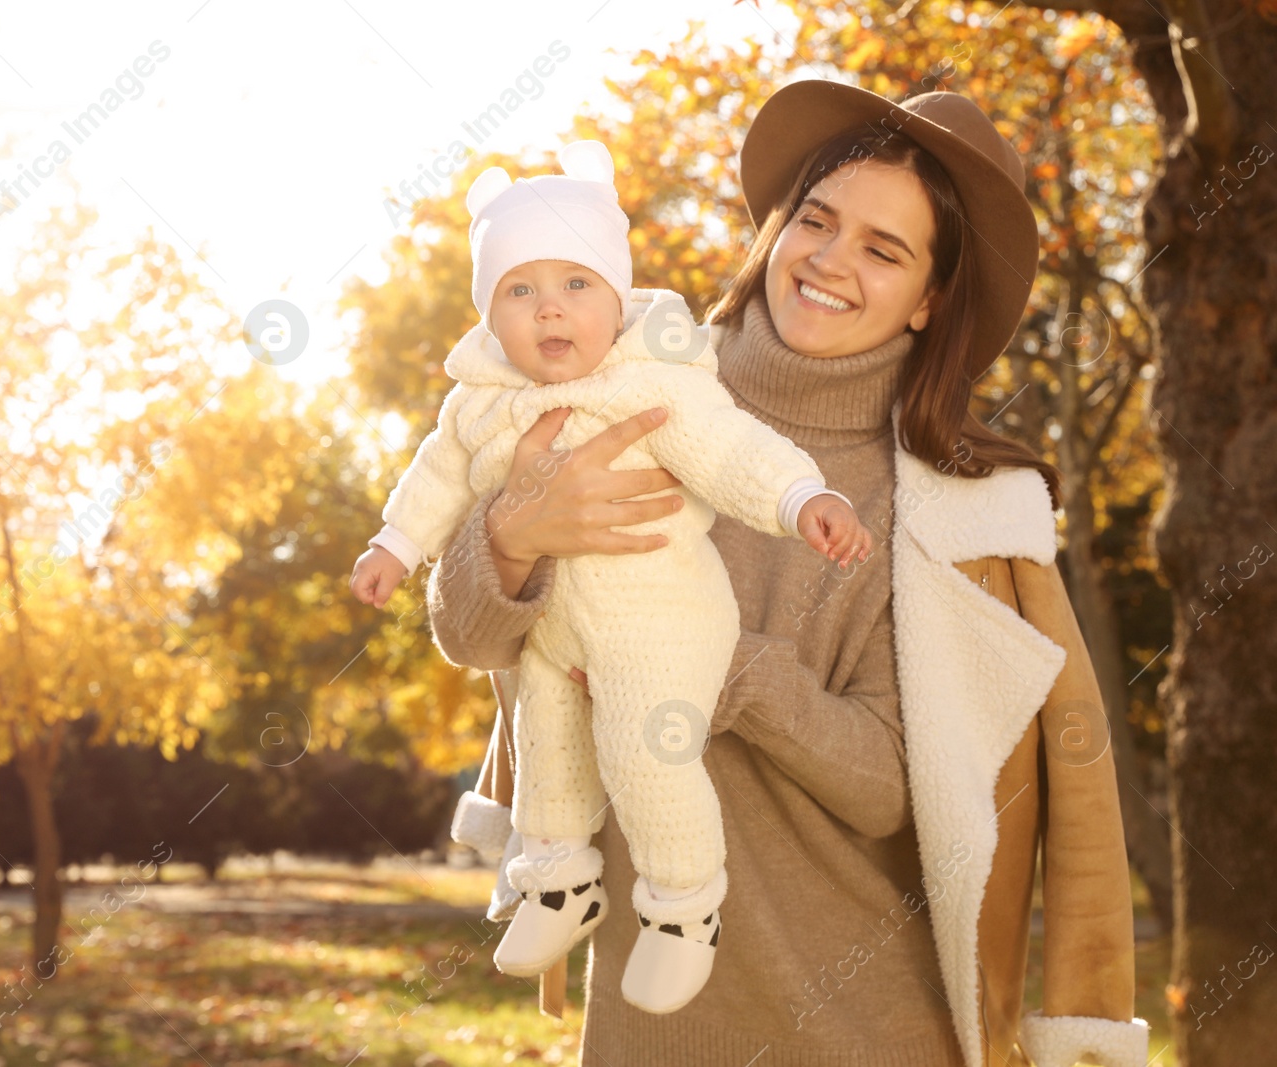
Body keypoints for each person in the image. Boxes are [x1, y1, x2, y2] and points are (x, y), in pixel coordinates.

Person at [437, 81, 1151, 1066]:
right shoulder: (620, 399)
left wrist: (712, 666)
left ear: (929, 299)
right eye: (815, 220)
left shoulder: (959, 516)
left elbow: (899, 787)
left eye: (882, 249)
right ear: (775, 229)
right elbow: (478, 638)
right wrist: (511, 537)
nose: (828, 259)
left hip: (870, 1028)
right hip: (651, 1023)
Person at [349, 138, 873, 1014]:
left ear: (618, 297)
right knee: (547, 748)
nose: (550, 310)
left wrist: (800, 495)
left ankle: (683, 906)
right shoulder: (476, 402)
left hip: (661, 620)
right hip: (552, 631)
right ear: (489, 313)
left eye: (577, 285)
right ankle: (559, 884)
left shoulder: (649, 382)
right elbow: (435, 478)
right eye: (521, 291)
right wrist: (393, 545)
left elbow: (727, 447)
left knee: (644, 752)